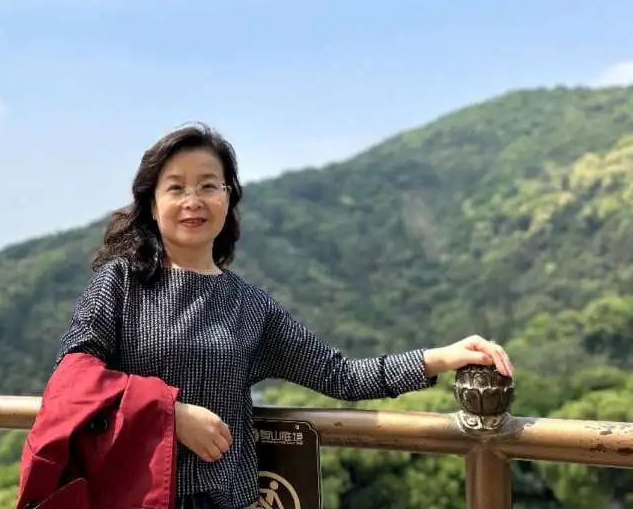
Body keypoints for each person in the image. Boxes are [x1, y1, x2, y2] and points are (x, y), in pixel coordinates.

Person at [54, 123, 515, 509]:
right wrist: (169, 414)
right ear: (153, 205)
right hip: (131, 493)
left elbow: (340, 376)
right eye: (176, 187)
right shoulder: (121, 282)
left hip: (224, 500)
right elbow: (73, 377)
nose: (193, 199)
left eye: (208, 185)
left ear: (228, 199)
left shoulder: (250, 306)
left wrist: (441, 357)